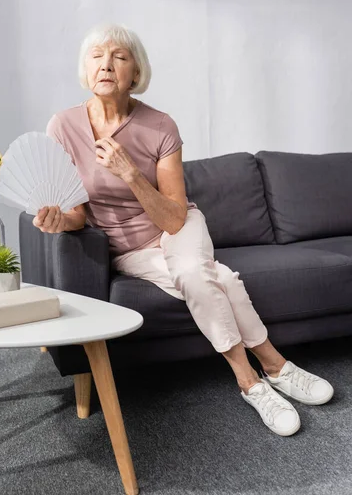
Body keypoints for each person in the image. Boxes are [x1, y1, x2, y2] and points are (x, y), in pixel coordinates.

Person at [34, 22, 334, 437]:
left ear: (135, 73)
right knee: (220, 278)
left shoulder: (160, 126)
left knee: (195, 271)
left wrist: (131, 175)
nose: (107, 65)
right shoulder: (63, 128)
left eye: (119, 56)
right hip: (130, 247)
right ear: (85, 70)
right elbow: (78, 215)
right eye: (97, 56)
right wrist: (57, 221)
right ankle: (270, 369)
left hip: (178, 227)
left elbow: (175, 217)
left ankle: (256, 379)